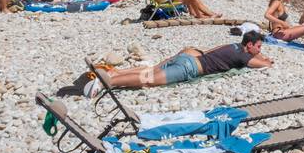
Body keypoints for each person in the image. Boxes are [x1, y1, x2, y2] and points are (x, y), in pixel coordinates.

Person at [85, 30, 273, 94]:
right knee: (149, 79)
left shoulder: (233, 46)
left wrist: (259, 55)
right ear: (249, 45)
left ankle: (114, 73)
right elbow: (265, 65)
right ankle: (108, 82)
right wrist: (266, 60)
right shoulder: (243, 56)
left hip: (188, 57)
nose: (260, 50)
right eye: (258, 46)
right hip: (190, 67)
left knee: (150, 70)